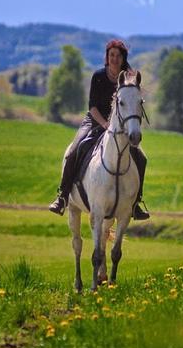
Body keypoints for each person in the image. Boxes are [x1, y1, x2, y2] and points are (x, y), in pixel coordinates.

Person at [48, 39, 150, 220]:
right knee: (74, 150)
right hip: (95, 121)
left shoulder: (129, 78)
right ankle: (63, 196)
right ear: (107, 57)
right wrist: (104, 124)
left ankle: (136, 203)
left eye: (118, 55)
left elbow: (134, 105)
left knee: (141, 158)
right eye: (111, 55)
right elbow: (92, 107)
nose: (114, 58)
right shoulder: (98, 76)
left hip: (120, 127)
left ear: (123, 57)